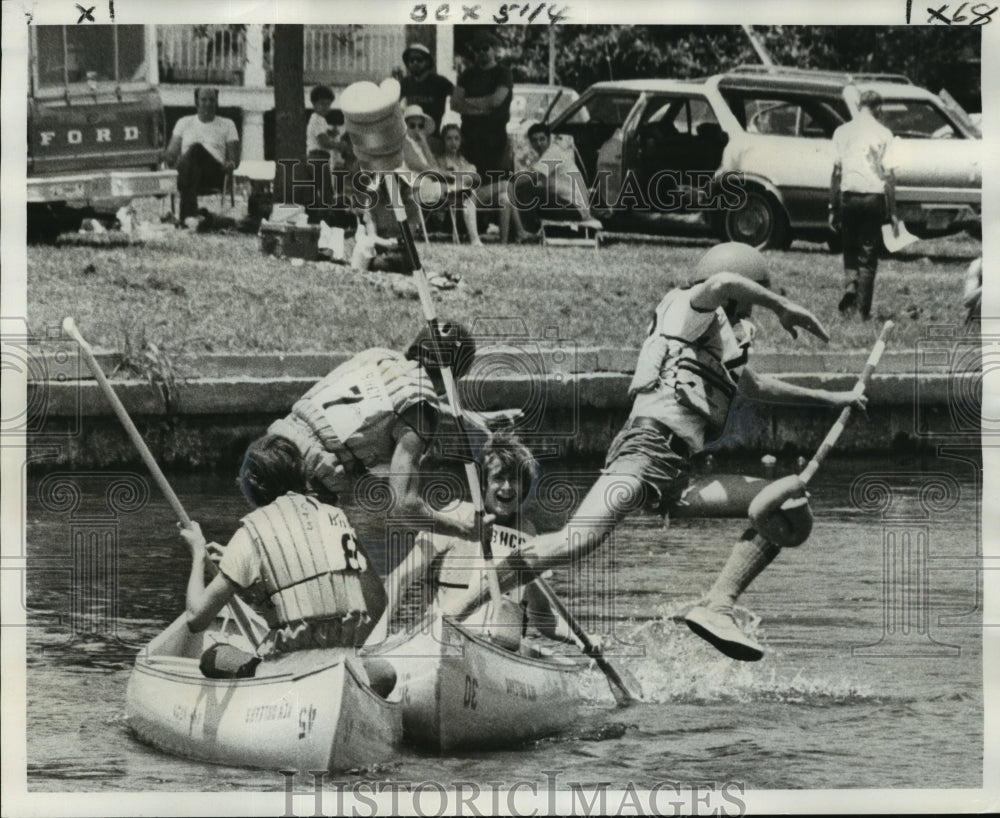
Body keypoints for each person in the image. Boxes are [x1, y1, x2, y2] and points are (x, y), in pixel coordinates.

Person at [439, 243, 868, 662]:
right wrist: (782, 306)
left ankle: (717, 604)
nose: (751, 316)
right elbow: (720, 282)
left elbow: (754, 387)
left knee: (784, 506)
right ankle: (455, 617)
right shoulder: (690, 307)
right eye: (751, 304)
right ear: (739, 297)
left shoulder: (717, 341)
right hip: (643, 451)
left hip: (677, 473)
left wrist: (833, 399)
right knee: (575, 541)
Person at [179, 436, 390, 682]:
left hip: (285, 674)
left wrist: (197, 555)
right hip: (341, 667)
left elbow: (196, 619)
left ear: (253, 485)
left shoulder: (250, 533)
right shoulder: (336, 518)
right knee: (383, 673)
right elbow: (376, 600)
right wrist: (346, 648)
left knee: (213, 657)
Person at [243, 324, 483, 539]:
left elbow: (356, 417)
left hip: (261, 457)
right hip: (304, 480)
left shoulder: (377, 356)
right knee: (352, 576)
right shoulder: (420, 412)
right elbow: (404, 507)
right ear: (454, 378)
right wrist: (463, 530)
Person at [829, 89, 900, 321]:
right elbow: (889, 176)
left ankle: (851, 286)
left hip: (848, 196)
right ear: (878, 107)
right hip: (873, 197)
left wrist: (833, 207)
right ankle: (862, 311)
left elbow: (836, 172)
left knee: (849, 247)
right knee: (868, 256)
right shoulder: (884, 134)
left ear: (860, 106)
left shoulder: (842, 131)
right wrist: (893, 211)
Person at [500, 123, 591, 243]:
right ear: (531, 143)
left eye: (542, 139)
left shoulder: (553, 152)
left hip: (575, 208)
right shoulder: (548, 154)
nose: (539, 144)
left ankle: (529, 233)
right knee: (527, 190)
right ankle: (522, 231)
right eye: (535, 140)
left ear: (549, 139)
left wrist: (509, 184)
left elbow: (531, 177)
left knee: (526, 189)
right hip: (572, 206)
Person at [164, 87, 241, 223]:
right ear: (196, 102)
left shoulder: (227, 124)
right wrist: (166, 156)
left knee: (195, 149)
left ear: (217, 102)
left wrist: (231, 164)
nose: (208, 104)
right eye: (204, 100)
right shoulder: (184, 122)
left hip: (214, 173)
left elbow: (235, 160)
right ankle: (190, 218)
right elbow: (171, 153)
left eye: (212, 100)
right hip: (186, 173)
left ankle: (187, 216)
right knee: (190, 159)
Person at [450, 30, 513, 183]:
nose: (481, 53)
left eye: (485, 48)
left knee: (494, 185)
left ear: (493, 49)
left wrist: (469, 102)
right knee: (470, 183)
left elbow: (496, 101)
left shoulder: (503, 73)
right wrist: (484, 108)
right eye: (477, 50)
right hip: (469, 139)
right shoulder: (466, 75)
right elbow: (455, 103)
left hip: (495, 139)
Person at [400, 42, 454, 148]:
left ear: (428, 62)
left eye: (419, 60)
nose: (414, 63)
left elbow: (459, 97)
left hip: (433, 139)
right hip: (412, 138)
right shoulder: (405, 83)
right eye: (411, 60)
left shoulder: (440, 82)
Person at [439, 123, 484, 246]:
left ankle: (512, 236)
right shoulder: (441, 161)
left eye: (456, 138)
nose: (453, 142)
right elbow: (448, 178)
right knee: (471, 191)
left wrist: (467, 174)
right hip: (454, 193)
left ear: (460, 141)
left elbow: (473, 175)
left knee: (504, 192)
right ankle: (475, 238)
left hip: (470, 192)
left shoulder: (462, 159)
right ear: (443, 141)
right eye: (449, 138)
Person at [305, 85, 341, 223]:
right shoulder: (317, 119)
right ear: (314, 104)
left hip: (317, 157)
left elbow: (323, 134)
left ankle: (317, 218)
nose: (326, 107)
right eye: (322, 104)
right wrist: (340, 146)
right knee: (326, 191)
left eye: (328, 104)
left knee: (318, 191)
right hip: (318, 158)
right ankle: (325, 221)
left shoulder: (320, 120)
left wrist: (331, 132)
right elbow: (323, 141)